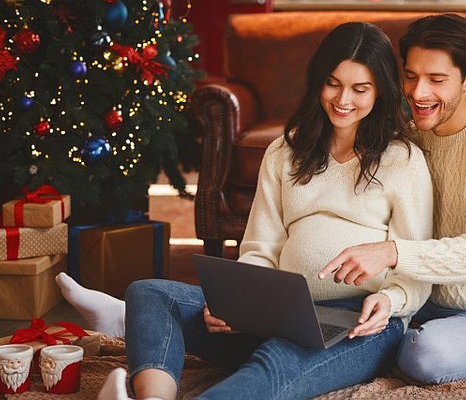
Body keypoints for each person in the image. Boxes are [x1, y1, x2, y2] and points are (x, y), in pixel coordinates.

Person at [61, 21, 434, 399]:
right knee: (150, 294)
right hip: (280, 311)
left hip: (362, 322)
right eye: (333, 83)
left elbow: (415, 263)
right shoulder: (285, 152)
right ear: (318, 80)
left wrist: (390, 301)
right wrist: (237, 304)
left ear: (381, 92)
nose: (343, 99)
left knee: (277, 361)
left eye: (360, 89)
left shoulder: (402, 160)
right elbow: (260, 247)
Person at [319, 13, 466, 385]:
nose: (418, 93)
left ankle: (410, 342)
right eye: (411, 76)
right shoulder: (414, 134)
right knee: (317, 317)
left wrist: (390, 252)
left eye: (436, 80)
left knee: (425, 356)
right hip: (424, 299)